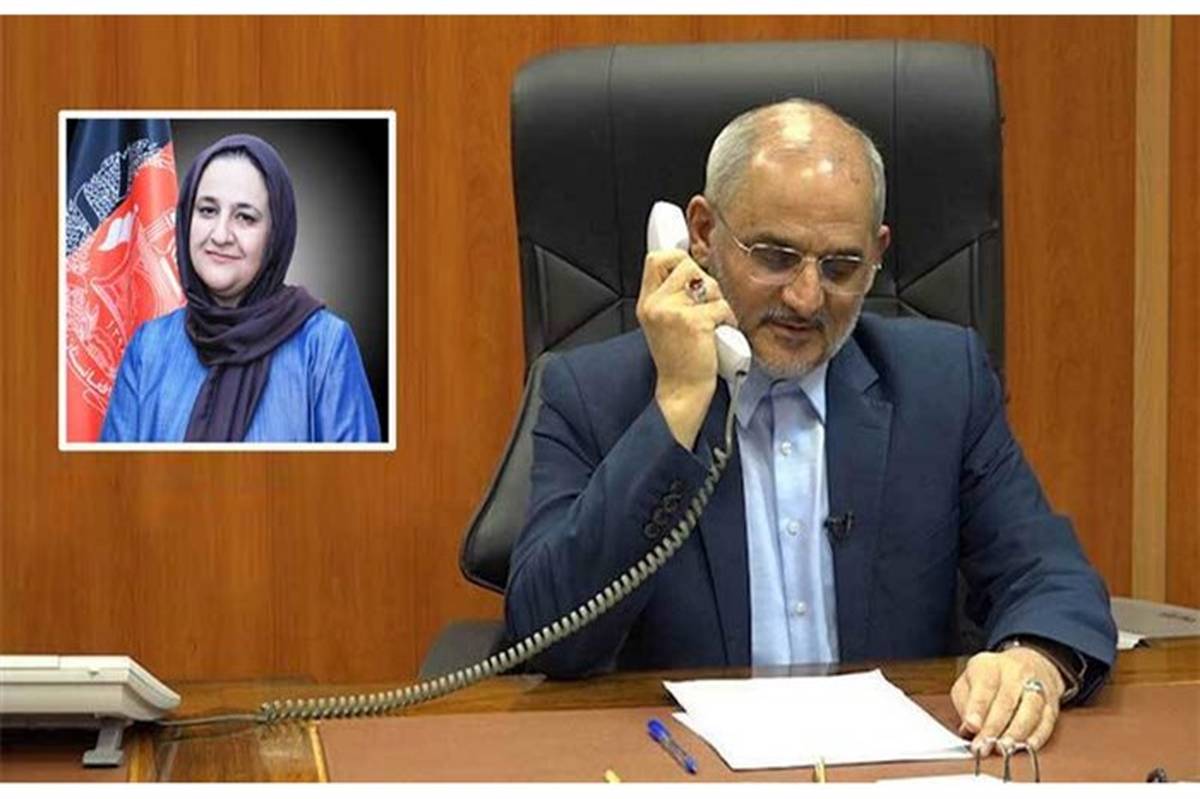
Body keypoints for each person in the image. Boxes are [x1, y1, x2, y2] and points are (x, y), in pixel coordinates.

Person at [505, 99, 1116, 756]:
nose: (805, 297)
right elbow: (546, 636)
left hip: (892, 771)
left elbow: (1050, 575)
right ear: (701, 234)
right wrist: (678, 405)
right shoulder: (590, 393)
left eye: (840, 267)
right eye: (775, 256)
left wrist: (1030, 658)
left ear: (878, 254)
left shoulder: (943, 384)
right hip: (684, 769)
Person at [100, 133, 381, 443]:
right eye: (207, 210)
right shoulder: (149, 347)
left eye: (245, 217)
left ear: (276, 234)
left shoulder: (323, 346)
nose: (220, 235)